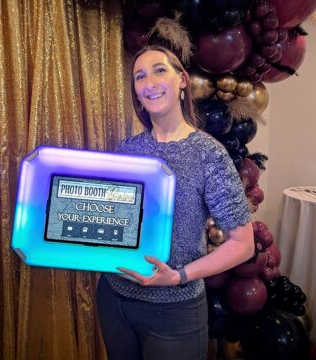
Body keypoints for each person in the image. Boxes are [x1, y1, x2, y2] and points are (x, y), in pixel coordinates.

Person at [96, 44, 254, 360]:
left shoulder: (209, 154)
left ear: (182, 80)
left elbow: (243, 244)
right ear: (136, 93)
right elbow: (113, 218)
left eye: (159, 70)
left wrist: (178, 276)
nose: (149, 82)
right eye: (139, 76)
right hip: (114, 299)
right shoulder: (127, 149)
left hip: (174, 314)